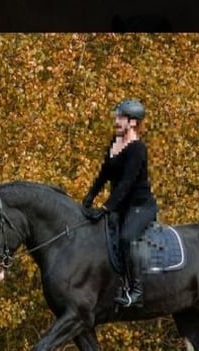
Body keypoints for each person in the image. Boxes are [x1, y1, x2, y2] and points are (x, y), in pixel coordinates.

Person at [82, 98, 158, 307]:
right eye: (116, 117)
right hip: (120, 206)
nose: (116, 121)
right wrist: (88, 199)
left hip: (140, 207)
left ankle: (136, 291)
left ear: (132, 122)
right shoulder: (114, 144)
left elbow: (126, 184)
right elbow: (103, 175)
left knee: (126, 238)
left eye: (121, 118)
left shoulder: (137, 149)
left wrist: (106, 208)